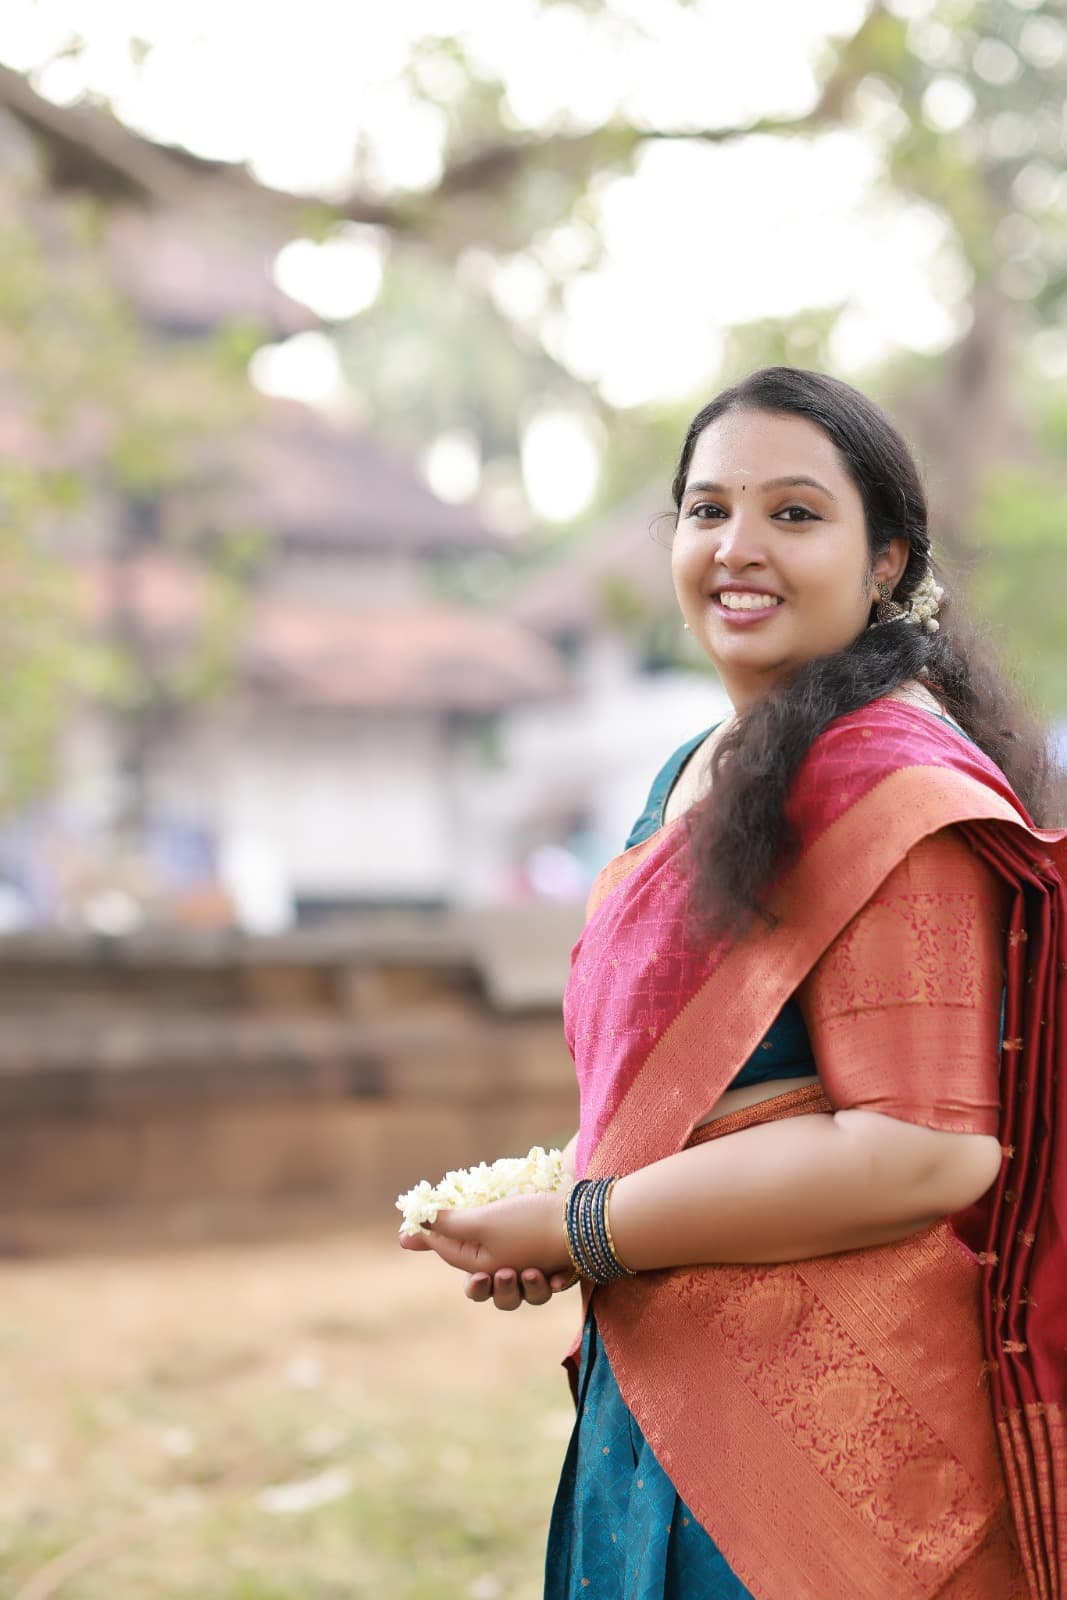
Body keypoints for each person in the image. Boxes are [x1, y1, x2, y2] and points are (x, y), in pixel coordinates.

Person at [400, 368, 1067, 1599]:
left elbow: (922, 1148)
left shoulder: (888, 786)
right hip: (654, 1406)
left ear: (885, 560)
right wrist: (571, 1208)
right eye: (705, 511)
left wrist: (584, 1223)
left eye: (793, 514)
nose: (736, 548)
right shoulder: (692, 772)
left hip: (827, 1450)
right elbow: (721, 1096)